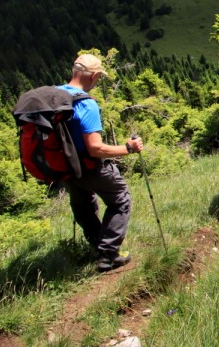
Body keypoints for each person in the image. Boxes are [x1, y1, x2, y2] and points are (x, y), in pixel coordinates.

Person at [59, 53, 144, 272]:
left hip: (65, 167)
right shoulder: (86, 104)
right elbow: (95, 148)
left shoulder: (55, 95)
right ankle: (108, 255)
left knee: (83, 205)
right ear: (94, 75)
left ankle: (97, 246)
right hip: (88, 166)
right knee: (120, 199)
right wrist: (127, 148)